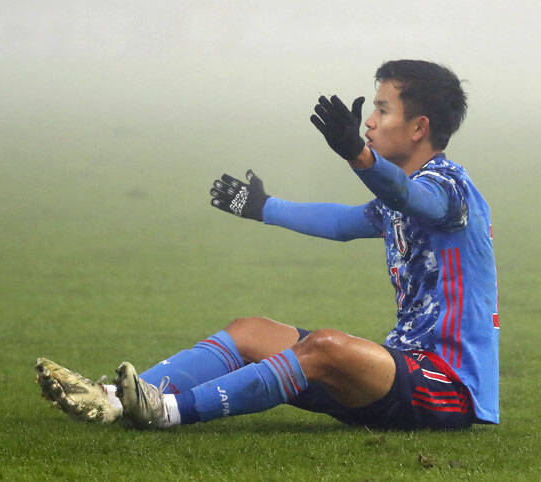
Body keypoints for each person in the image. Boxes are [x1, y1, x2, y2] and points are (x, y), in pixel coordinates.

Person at [36, 59, 499, 430]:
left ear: (418, 128)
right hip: (397, 373)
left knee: (326, 345)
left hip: (447, 388)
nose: (370, 123)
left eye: (382, 110)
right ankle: (112, 399)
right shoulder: (399, 198)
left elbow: (408, 196)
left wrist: (359, 156)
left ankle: (166, 412)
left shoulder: (450, 190)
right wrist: (262, 206)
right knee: (249, 331)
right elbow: (344, 222)